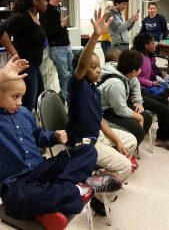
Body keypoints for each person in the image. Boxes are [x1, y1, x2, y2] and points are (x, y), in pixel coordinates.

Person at [0, 78, 120, 230]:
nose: (19, 102)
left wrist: (53, 137)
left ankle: (61, 192)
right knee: (18, 199)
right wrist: (2, 76)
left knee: (87, 150)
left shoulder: (23, 113)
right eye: (15, 97)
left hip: (41, 169)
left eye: (21, 97)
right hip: (15, 182)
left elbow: (38, 137)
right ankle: (79, 189)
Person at [66, 8, 137, 216]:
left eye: (98, 65)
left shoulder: (94, 89)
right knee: (125, 166)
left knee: (130, 141)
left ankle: (106, 181)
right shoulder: (77, 86)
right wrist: (96, 35)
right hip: (83, 143)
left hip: (96, 135)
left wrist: (116, 140)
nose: (97, 69)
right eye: (92, 66)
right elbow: (81, 65)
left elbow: (100, 120)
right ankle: (97, 198)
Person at [0, 0, 47, 111]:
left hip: (34, 65)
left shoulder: (35, 17)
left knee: (40, 98)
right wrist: (15, 54)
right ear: (35, 1)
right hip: (26, 65)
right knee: (28, 103)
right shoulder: (22, 16)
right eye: (44, 0)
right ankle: (24, 128)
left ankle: (35, 126)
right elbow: (1, 30)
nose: (46, 3)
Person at [98, 49, 152, 147]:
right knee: (138, 130)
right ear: (133, 72)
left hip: (116, 106)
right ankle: (127, 149)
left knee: (147, 117)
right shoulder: (115, 84)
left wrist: (138, 101)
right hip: (105, 113)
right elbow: (120, 110)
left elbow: (135, 84)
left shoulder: (125, 71)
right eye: (140, 68)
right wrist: (138, 117)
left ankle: (133, 146)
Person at [132, 33, 169, 150]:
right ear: (146, 45)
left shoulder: (148, 56)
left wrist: (157, 75)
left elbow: (149, 72)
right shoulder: (137, 57)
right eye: (153, 43)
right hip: (138, 93)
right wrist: (151, 83)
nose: (155, 45)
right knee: (164, 106)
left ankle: (163, 136)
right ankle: (161, 139)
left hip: (143, 89)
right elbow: (135, 77)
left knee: (165, 101)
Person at [40, 0, 74, 104]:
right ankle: (67, 100)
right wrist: (61, 25)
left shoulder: (60, 8)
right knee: (64, 76)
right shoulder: (45, 11)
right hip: (56, 49)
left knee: (74, 72)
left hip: (66, 46)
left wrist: (62, 26)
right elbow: (47, 33)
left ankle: (68, 94)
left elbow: (61, 30)